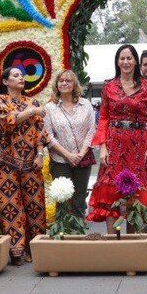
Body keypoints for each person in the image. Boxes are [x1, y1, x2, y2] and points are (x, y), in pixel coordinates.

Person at [88, 44, 147, 231]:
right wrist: (103, 147)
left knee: (137, 194)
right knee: (112, 193)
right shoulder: (109, 86)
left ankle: (133, 244)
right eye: (122, 58)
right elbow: (104, 117)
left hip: (139, 145)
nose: (125, 62)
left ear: (136, 62)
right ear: (117, 62)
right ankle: (114, 245)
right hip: (114, 144)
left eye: (129, 58)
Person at [0, 67, 47, 265]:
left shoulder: (33, 101)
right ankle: (16, 252)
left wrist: (40, 154)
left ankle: (37, 248)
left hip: (32, 162)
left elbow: (41, 131)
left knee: (35, 206)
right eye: (15, 75)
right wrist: (31, 112)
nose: (21, 78)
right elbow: (7, 122)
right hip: (7, 163)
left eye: (22, 76)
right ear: (5, 81)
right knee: (10, 206)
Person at [43, 70, 96, 216]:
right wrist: (68, 156)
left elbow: (92, 132)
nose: (64, 83)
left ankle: (78, 236)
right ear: (57, 84)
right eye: (61, 80)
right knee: (63, 200)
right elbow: (48, 136)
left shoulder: (85, 105)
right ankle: (63, 236)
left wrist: (79, 155)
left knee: (79, 200)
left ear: (74, 84)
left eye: (68, 80)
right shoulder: (49, 108)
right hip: (60, 160)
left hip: (82, 158)